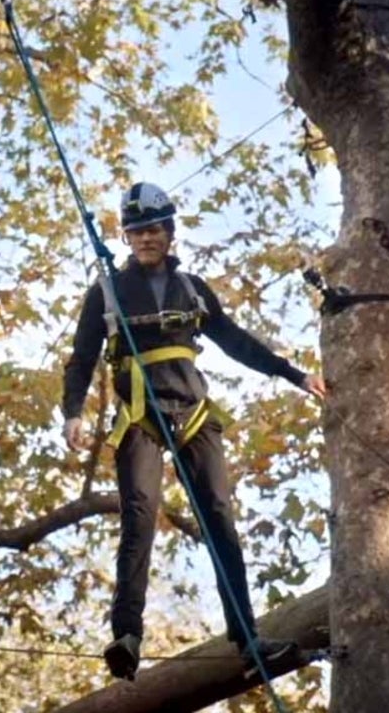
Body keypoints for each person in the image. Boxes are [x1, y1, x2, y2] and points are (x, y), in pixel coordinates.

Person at [61, 182, 327, 679]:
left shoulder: (194, 290)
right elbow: (80, 360)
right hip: (141, 414)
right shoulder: (107, 292)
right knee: (140, 515)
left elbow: (234, 342)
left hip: (193, 412)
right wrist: (72, 412)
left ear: (169, 232)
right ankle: (127, 635)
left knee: (220, 518)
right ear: (126, 236)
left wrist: (293, 375)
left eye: (154, 229)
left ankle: (248, 641)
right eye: (136, 231)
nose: (145, 238)